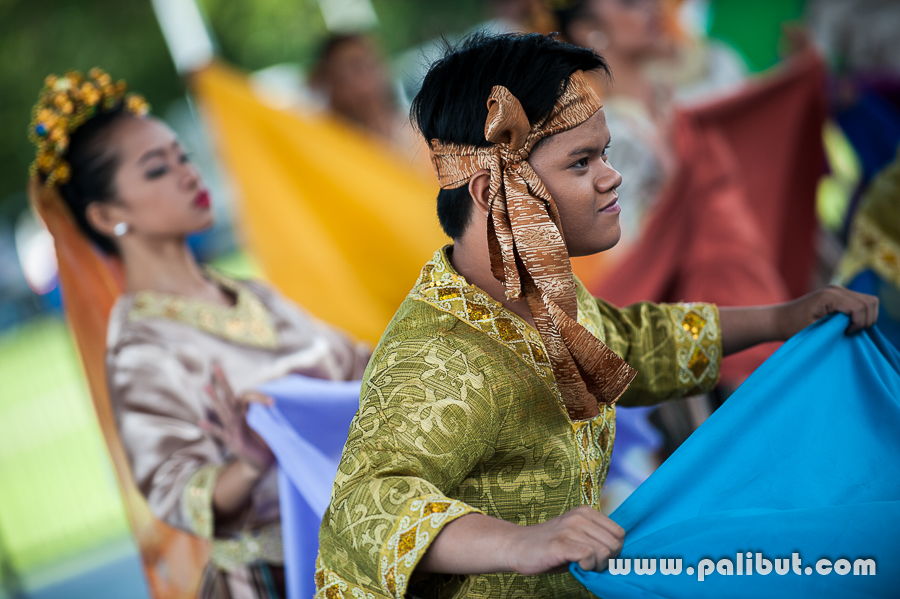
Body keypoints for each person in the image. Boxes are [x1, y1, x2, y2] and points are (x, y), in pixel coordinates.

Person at [314, 33, 879, 599]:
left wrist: (785, 320)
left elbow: (629, 345)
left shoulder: (542, 292)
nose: (612, 177)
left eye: (604, 154)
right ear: (491, 191)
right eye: (581, 162)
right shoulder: (438, 357)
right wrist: (520, 543)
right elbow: (363, 508)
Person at [28, 68, 370, 599]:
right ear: (107, 215)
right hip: (277, 580)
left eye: (183, 157)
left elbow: (359, 368)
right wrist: (250, 464)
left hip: (364, 544)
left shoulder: (251, 295)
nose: (188, 174)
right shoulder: (141, 347)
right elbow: (177, 490)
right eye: (157, 169)